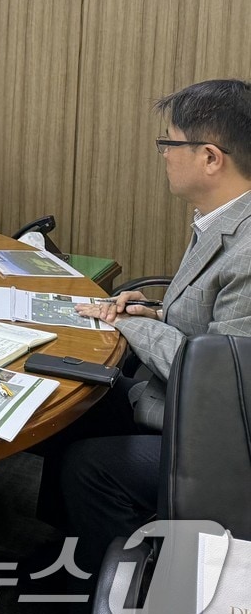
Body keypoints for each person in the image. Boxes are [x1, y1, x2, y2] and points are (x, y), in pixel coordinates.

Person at [45, 78, 251, 574]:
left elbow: (222, 385)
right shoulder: (223, 217)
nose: (162, 154)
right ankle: (62, 556)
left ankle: (120, 595)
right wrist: (154, 312)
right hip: (177, 396)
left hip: (220, 441)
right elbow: (211, 321)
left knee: (90, 467)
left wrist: (129, 326)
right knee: (77, 399)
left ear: (209, 157)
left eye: (169, 142)